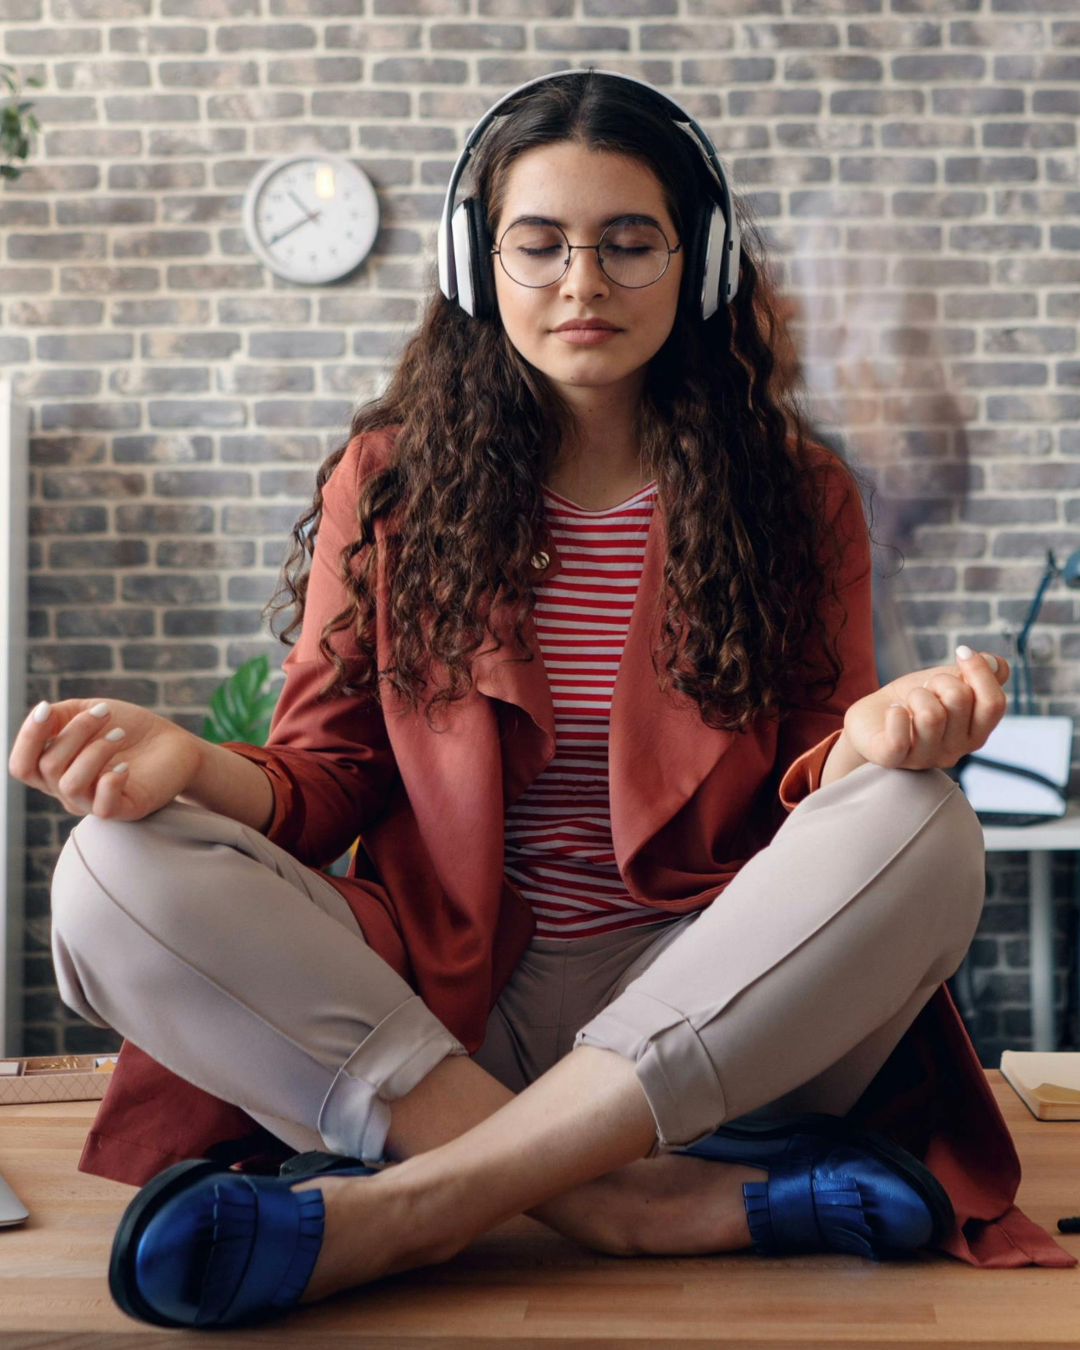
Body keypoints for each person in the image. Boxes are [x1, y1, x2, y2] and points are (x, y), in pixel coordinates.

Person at [10, 70, 1072, 1331]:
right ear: (479, 264)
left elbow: (815, 797)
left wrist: (880, 746)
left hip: (710, 1004)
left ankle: (421, 1203)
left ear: (704, 262)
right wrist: (188, 765)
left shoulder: (798, 494)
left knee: (920, 821)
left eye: (630, 243)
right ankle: (626, 1203)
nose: (584, 283)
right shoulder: (391, 482)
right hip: (435, 1016)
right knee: (110, 873)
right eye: (542, 244)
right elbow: (325, 776)